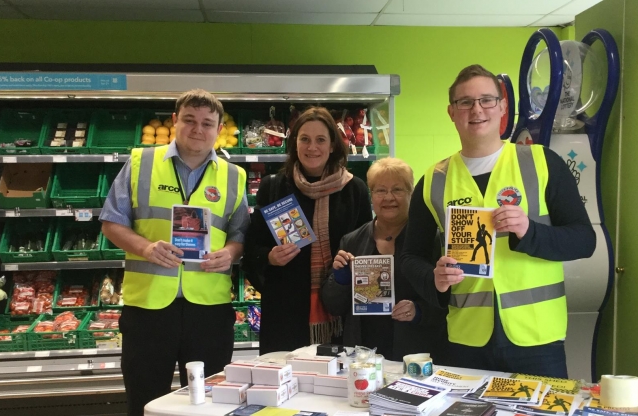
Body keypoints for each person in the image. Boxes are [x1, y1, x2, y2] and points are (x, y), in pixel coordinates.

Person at [100, 89, 249, 416]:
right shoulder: (142, 163)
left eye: (208, 123)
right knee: (144, 404)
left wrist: (230, 254)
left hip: (208, 309)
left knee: (210, 408)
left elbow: (241, 234)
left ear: (218, 128)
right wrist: (145, 247)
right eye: (190, 120)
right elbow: (111, 221)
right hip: (149, 307)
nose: (198, 130)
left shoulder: (234, 176)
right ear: (175, 120)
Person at [399, 64, 596, 378]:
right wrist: (433, 280)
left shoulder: (542, 163)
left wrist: (530, 231)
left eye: (486, 100)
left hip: (537, 339)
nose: (476, 109)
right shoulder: (433, 180)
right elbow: (410, 257)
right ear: (451, 112)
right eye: (465, 102)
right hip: (465, 340)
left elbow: (585, 240)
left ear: (503, 107)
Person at [242, 107, 372, 354]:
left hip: (338, 314)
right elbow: (251, 249)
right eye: (305, 139)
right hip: (285, 313)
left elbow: (366, 248)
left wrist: (350, 263)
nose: (312, 147)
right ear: (295, 144)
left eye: (320, 140)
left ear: (332, 145)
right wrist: (269, 257)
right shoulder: (273, 187)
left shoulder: (354, 190)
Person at [320, 158, 448, 363]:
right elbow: (333, 305)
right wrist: (341, 278)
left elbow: (451, 301)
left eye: (397, 190)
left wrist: (420, 311)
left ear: (411, 194)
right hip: (363, 355)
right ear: (372, 196)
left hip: (416, 353)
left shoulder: (431, 241)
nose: (389, 197)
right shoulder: (352, 241)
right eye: (380, 190)